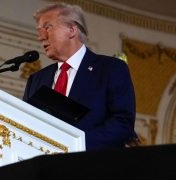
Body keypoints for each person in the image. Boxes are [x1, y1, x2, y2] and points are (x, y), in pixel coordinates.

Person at [23, 2, 136, 151]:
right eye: (39, 30)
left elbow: (122, 123)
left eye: (47, 27)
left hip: (92, 167)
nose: (40, 37)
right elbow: (26, 125)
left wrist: (75, 145)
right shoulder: (36, 80)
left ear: (71, 30)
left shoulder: (111, 69)